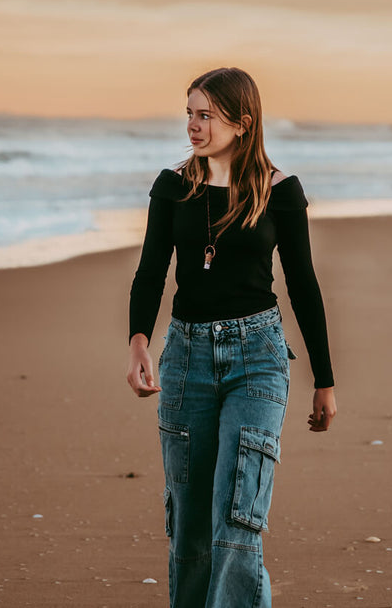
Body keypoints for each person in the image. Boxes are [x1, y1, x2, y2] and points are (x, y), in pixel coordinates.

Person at [127, 66, 337, 608]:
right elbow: (152, 271)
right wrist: (138, 343)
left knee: (239, 517)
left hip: (259, 358)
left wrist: (325, 380)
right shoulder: (172, 187)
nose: (193, 126)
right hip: (186, 357)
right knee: (192, 529)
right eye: (190, 114)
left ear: (242, 124)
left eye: (206, 116)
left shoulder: (281, 191)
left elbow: (304, 285)